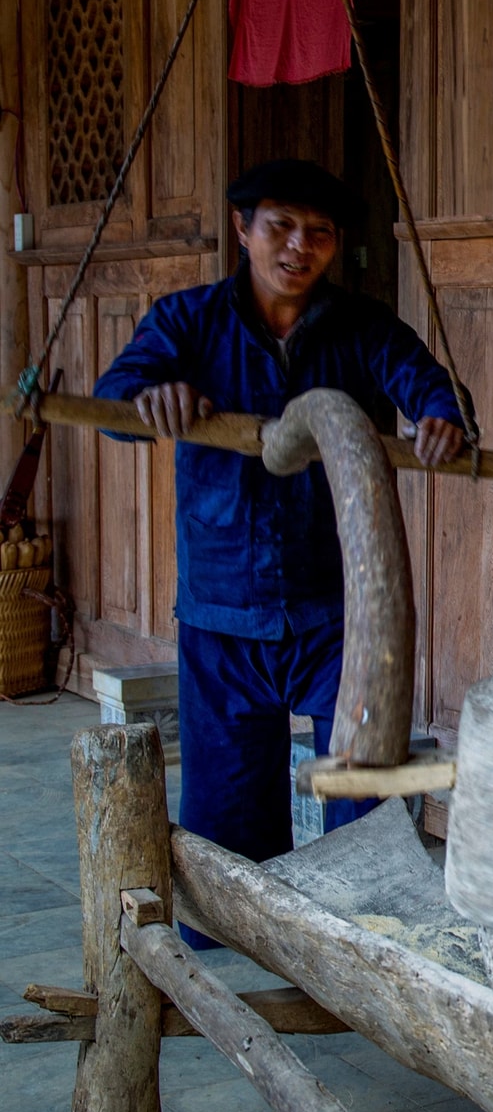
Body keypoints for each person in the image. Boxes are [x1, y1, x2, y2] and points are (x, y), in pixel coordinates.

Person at [95, 159, 466, 939]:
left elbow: (431, 385)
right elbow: (110, 402)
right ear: (243, 229)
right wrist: (150, 399)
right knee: (227, 843)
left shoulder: (360, 328)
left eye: (319, 233)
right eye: (280, 227)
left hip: (336, 618)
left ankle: (360, 954)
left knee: (367, 815)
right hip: (223, 612)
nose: (299, 246)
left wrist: (441, 417)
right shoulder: (187, 321)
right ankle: (245, 960)